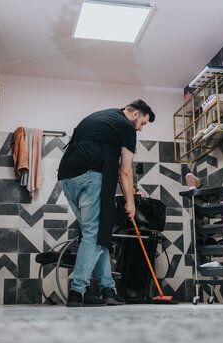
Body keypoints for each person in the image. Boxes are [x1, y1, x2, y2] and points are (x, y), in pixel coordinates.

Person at [57, 100, 155, 307]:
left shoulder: (101, 116)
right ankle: (77, 292)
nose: (140, 128)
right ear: (135, 113)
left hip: (68, 179)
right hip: (92, 179)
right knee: (94, 235)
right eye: (143, 123)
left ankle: (108, 289)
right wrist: (131, 202)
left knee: (96, 234)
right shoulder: (127, 126)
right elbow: (126, 171)